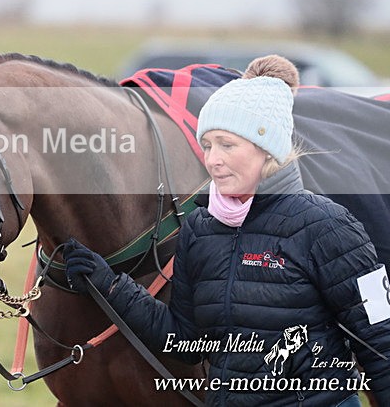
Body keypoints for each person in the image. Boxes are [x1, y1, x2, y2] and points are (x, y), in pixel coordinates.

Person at [62, 55, 390, 406]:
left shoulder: (329, 226)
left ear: (268, 149)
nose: (213, 159)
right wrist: (110, 285)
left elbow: (381, 343)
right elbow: (184, 342)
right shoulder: (200, 230)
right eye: (207, 145)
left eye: (227, 145)